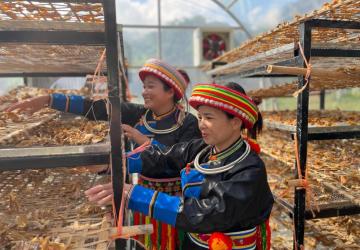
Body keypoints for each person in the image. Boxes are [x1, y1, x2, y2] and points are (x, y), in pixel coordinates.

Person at [6, 58, 201, 249]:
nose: (144, 92)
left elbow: (179, 162)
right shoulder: (139, 115)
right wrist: (49, 99)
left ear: (170, 92)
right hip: (140, 195)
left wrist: (143, 141)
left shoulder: (189, 123)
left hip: (172, 202)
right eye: (144, 87)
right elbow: (96, 108)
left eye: (151, 87)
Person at [87, 82, 274, 250]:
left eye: (209, 117)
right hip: (193, 242)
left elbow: (208, 212)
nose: (201, 124)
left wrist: (137, 195)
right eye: (199, 117)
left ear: (235, 122)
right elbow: (164, 157)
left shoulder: (250, 170)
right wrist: (113, 164)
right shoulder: (203, 148)